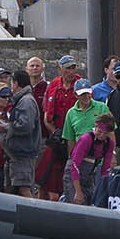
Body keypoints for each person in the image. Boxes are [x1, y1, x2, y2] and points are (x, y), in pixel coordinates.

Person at [38, 56, 82, 198]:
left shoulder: (80, 85)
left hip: (75, 139)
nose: (71, 71)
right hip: (56, 137)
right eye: (67, 68)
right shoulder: (53, 85)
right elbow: (46, 115)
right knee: (44, 181)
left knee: (69, 180)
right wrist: (56, 133)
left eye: (73, 67)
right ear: (59, 69)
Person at [1, 70, 43, 200]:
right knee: (12, 188)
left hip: (23, 153)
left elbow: (26, 126)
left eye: (11, 82)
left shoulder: (26, 101)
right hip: (16, 154)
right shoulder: (22, 100)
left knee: (23, 188)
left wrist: (6, 126)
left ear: (16, 83)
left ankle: (34, 216)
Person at [66, 114, 118, 205]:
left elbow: (105, 170)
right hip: (73, 174)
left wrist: (104, 191)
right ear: (95, 126)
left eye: (105, 133)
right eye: (100, 131)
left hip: (88, 176)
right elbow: (74, 165)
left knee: (92, 201)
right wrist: (78, 191)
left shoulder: (109, 144)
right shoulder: (86, 139)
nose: (102, 135)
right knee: (77, 202)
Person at [62, 79, 112, 152]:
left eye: (88, 93)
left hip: (100, 154)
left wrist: (112, 154)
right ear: (76, 95)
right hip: (80, 155)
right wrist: (71, 159)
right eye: (83, 94)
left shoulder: (102, 107)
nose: (86, 96)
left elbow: (111, 132)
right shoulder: (71, 113)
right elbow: (70, 140)